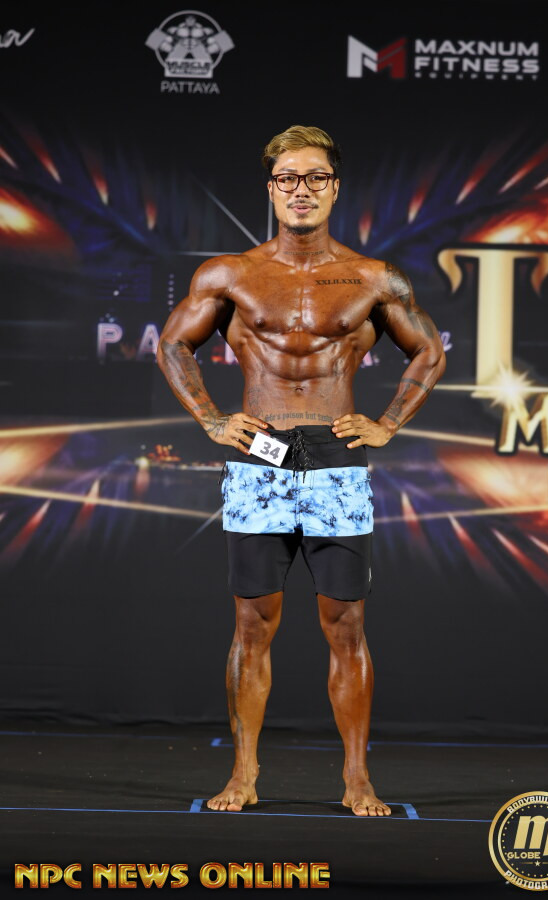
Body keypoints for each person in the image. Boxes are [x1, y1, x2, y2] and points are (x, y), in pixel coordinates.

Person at [157, 125, 446, 817]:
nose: (301, 190)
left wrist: (388, 422)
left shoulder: (373, 277)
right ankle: (244, 773)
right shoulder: (229, 274)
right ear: (271, 189)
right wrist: (211, 419)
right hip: (260, 457)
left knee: (345, 624)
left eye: (315, 178)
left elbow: (429, 350)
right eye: (288, 178)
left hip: (336, 458)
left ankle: (357, 779)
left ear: (334, 188)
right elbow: (172, 344)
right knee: (252, 622)